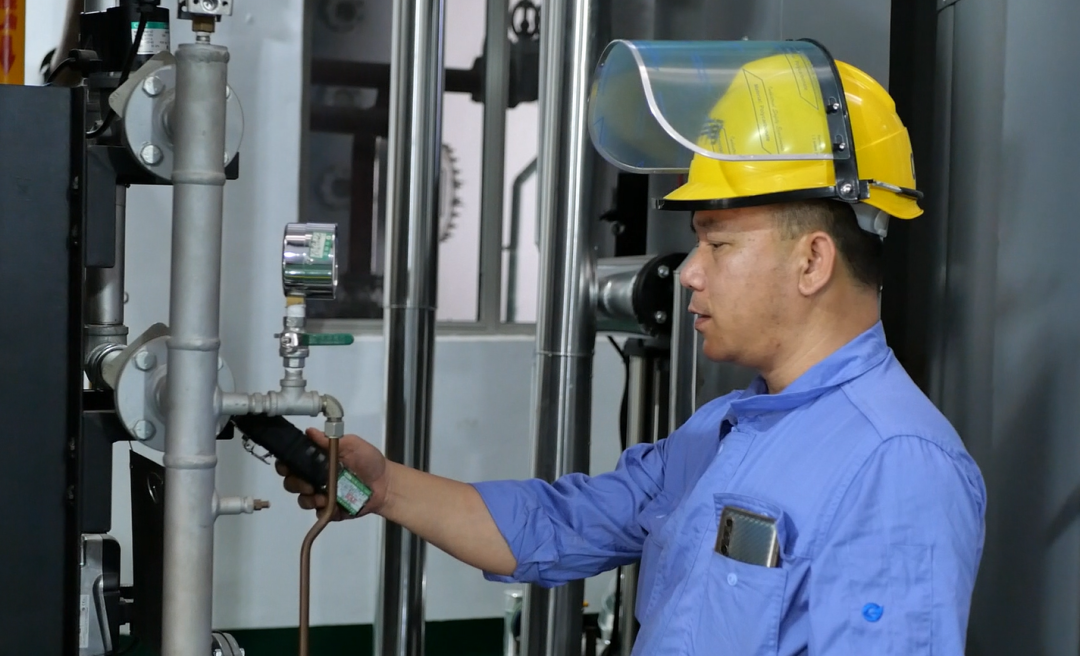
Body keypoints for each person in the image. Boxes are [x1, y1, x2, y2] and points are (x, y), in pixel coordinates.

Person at [279, 42, 986, 654]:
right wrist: (385, 488)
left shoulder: (897, 465)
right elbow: (560, 525)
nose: (689, 273)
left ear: (813, 262)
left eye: (717, 243)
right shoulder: (724, 432)